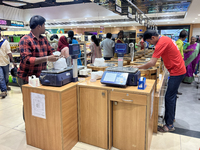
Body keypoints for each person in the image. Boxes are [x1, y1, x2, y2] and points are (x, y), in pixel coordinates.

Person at [132, 30, 186, 132]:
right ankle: (171, 118)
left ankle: (169, 124)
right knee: (172, 96)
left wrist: (137, 67)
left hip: (177, 71)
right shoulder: (165, 38)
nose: (150, 44)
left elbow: (152, 63)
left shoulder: (161, 43)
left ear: (153, 37)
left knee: (169, 97)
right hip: (179, 70)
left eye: (149, 41)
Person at [0, 27, 16, 98]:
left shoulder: (5, 42)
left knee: (6, 77)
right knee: (1, 77)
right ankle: (3, 90)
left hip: (5, 62)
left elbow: (9, 52)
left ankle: (6, 85)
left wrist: (13, 61)